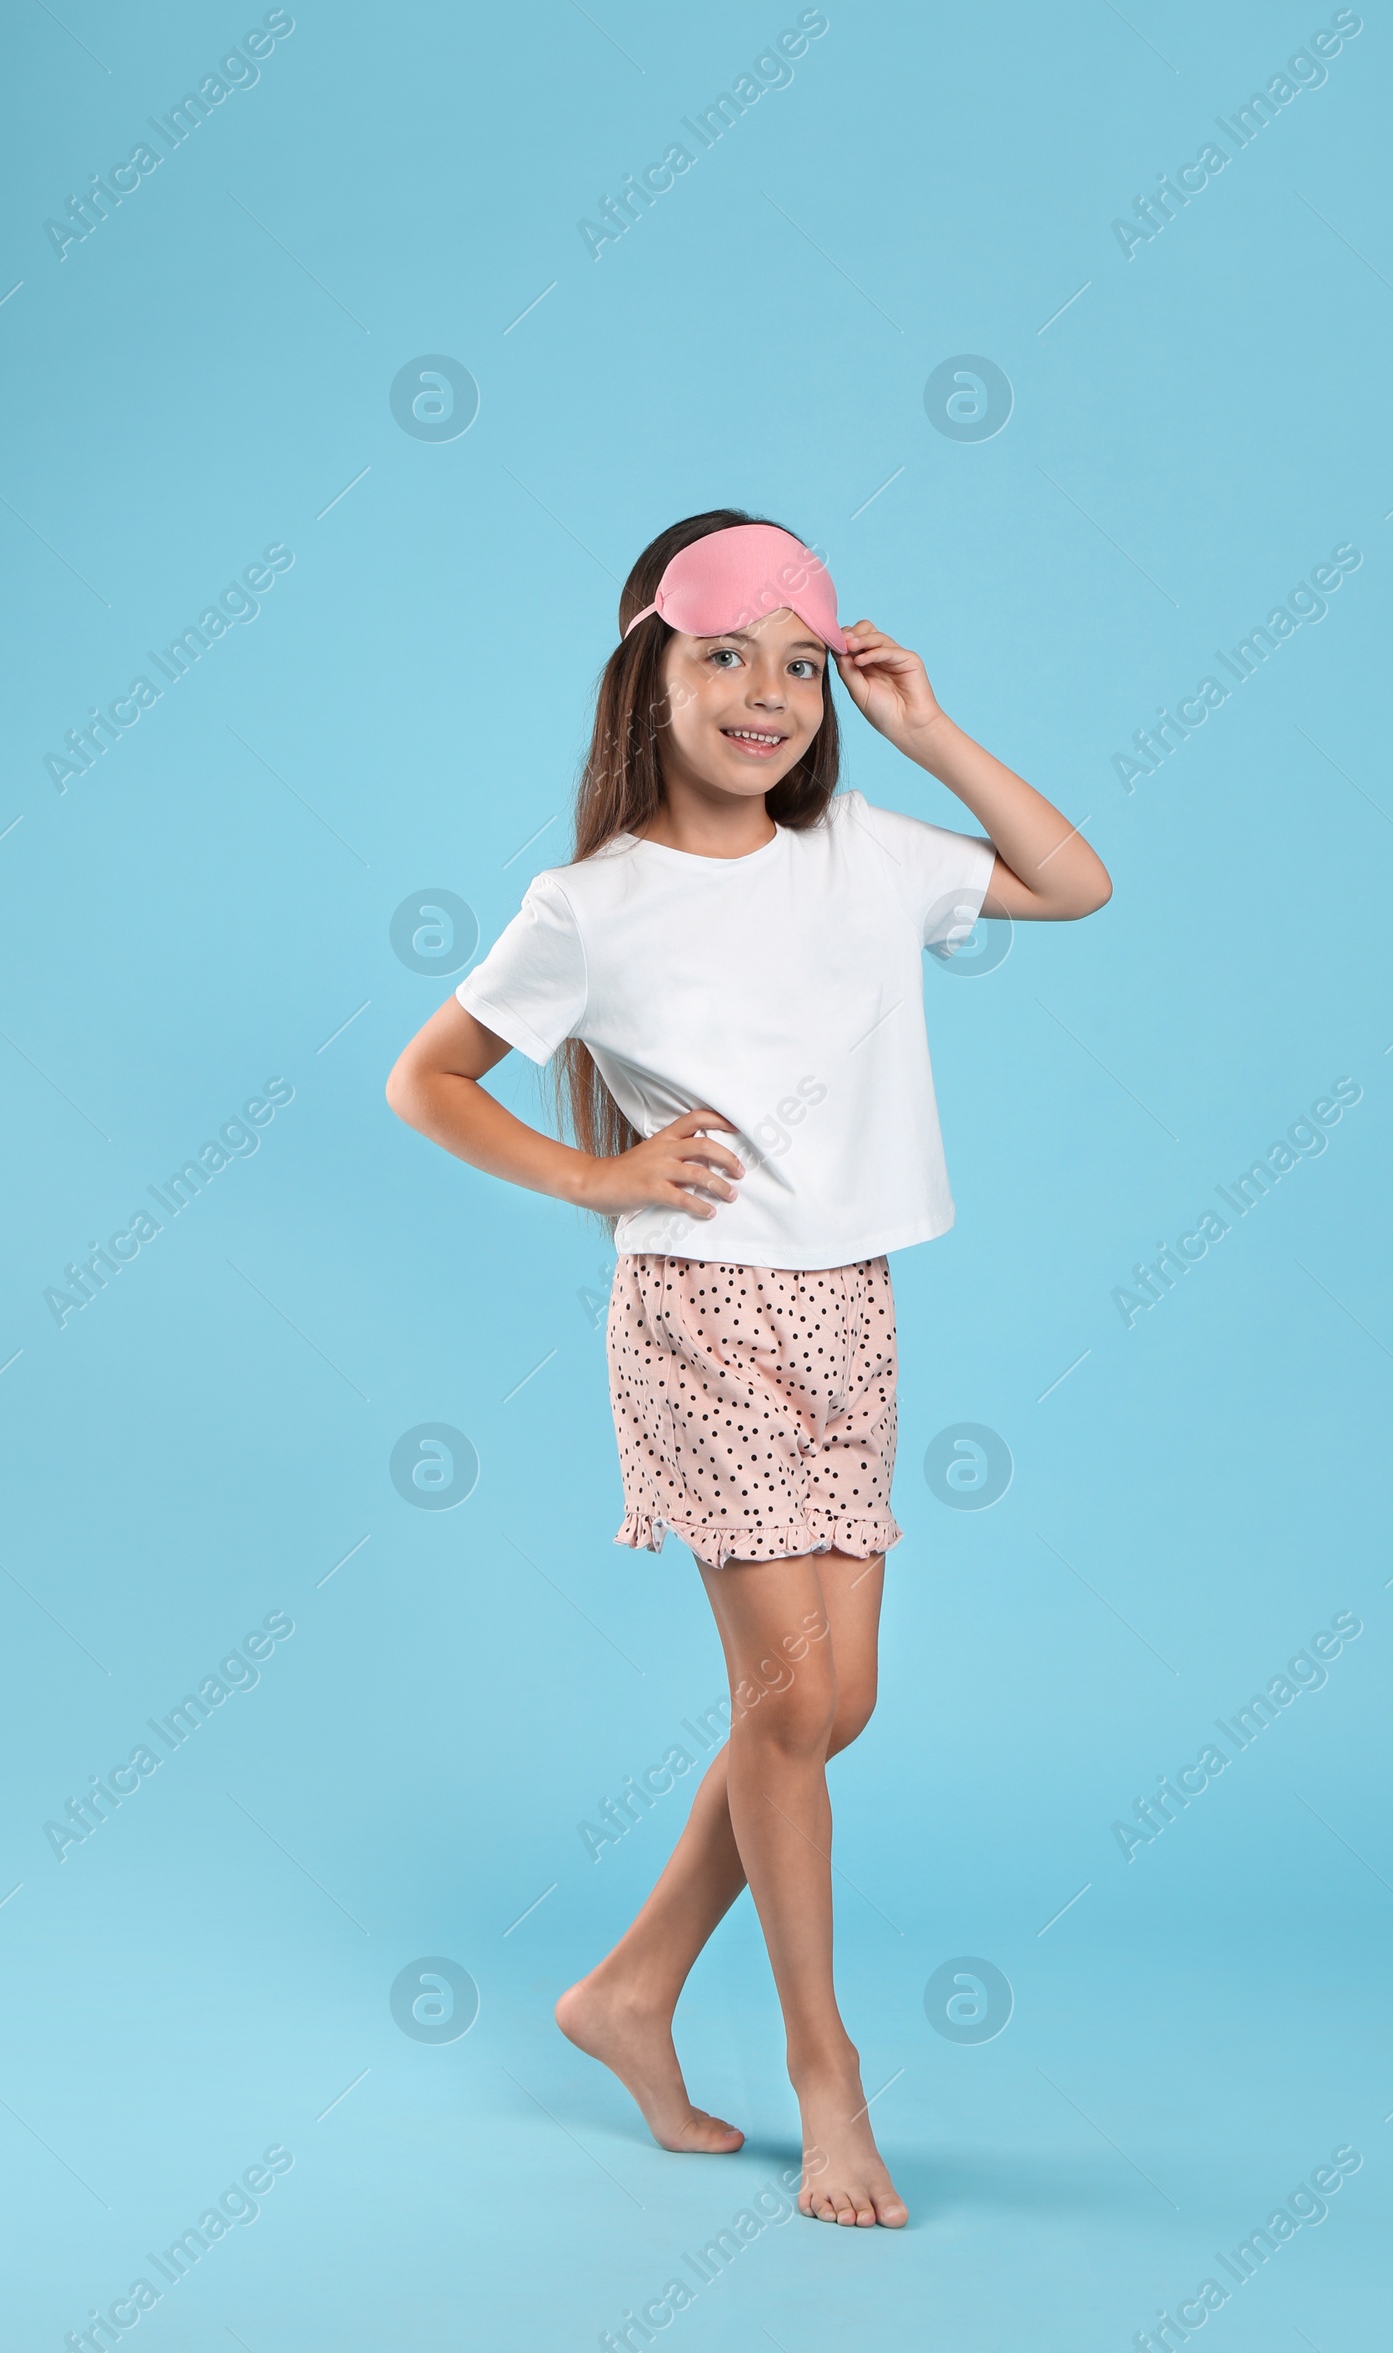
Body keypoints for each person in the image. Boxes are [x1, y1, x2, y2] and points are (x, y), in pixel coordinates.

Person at [386, 509, 1111, 2228]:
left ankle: (626, 1992)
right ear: (655, 666)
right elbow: (430, 1078)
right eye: (726, 655)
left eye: (801, 664)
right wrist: (596, 1177)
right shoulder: (592, 904)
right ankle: (824, 2074)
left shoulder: (863, 848)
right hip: (702, 1316)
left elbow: (1072, 883)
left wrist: (929, 731)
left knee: (831, 1705)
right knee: (794, 1711)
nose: (766, 695)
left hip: (847, 1307)